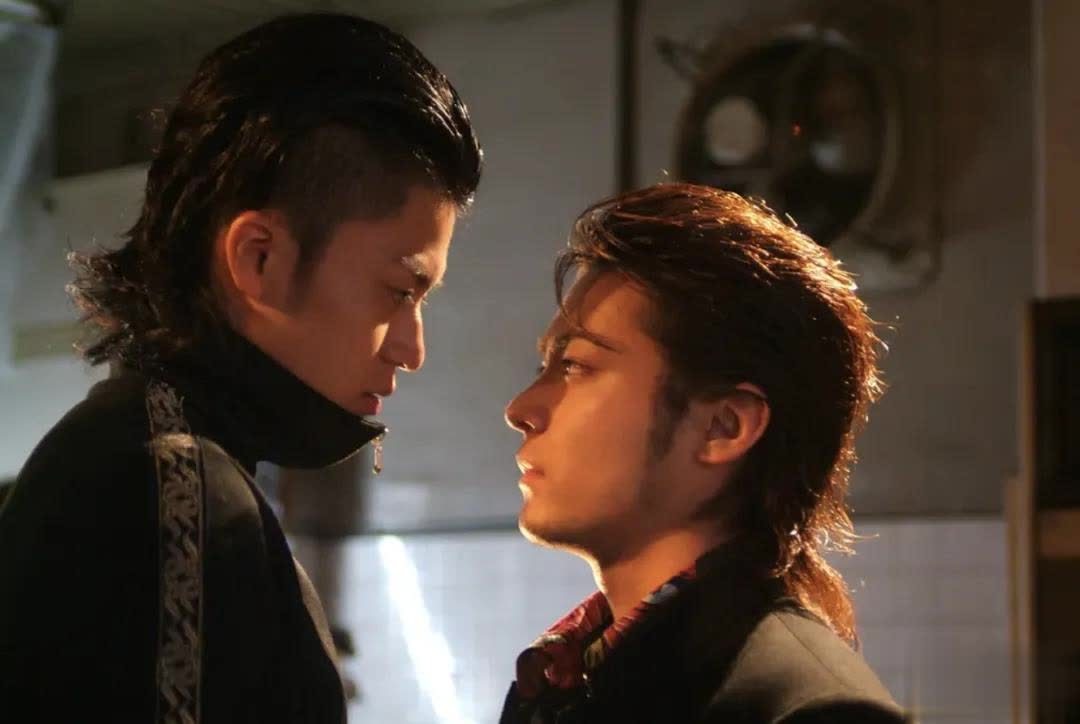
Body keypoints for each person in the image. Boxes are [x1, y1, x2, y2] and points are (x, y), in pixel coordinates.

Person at [0, 13, 481, 723]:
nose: (412, 348)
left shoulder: (131, 449)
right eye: (399, 291)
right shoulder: (177, 484)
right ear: (259, 258)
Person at [501, 183, 906, 723]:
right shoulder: (563, 678)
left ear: (723, 428)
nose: (521, 408)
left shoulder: (811, 710)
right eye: (544, 368)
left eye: (576, 366)